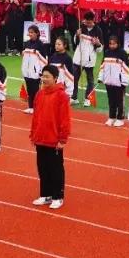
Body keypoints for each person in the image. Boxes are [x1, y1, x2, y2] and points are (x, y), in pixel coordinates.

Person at [30, 65, 71, 209]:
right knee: (42, 167)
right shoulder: (39, 94)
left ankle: (57, 196)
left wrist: (62, 139)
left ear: (55, 78)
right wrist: (33, 134)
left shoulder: (61, 96)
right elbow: (35, 117)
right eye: (43, 76)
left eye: (47, 76)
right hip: (40, 138)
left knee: (56, 169)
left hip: (54, 140)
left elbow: (65, 119)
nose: (44, 79)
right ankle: (45, 194)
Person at [72, 12, 103, 105]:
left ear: (93, 20)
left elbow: (100, 49)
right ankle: (74, 97)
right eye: (86, 22)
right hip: (78, 58)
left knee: (90, 80)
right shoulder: (81, 27)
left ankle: (87, 98)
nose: (87, 24)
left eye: (89, 22)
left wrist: (97, 44)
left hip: (89, 60)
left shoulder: (98, 30)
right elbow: (75, 42)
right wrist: (77, 35)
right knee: (75, 78)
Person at [99, 36, 129, 126]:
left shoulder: (122, 53)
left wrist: (124, 81)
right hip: (109, 81)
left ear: (118, 43)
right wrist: (101, 78)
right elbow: (102, 66)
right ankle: (111, 117)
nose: (112, 46)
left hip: (119, 82)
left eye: (114, 44)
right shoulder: (107, 52)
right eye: (110, 44)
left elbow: (126, 68)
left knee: (119, 101)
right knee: (111, 100)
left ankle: (120, 118)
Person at [21, 25, 48, 113]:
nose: (30, 34)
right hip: (27, 72)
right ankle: (30, 107)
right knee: (29, 90)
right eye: (29, 32)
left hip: (35, 73)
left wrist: (41, 72)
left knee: (35, 91)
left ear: (37, 33)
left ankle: (37, 107)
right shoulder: (26, 43)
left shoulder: (41, 45)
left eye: (32, 32)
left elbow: (44, 60)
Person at [47, 36, 76, 100]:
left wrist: (69, 92)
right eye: (56, 44)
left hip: (62, 89)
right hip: (52, 87)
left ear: (65, 45)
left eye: (59, 44)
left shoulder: (67, 58)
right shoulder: (52, 57)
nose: (56, 46)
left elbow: (70, 75)